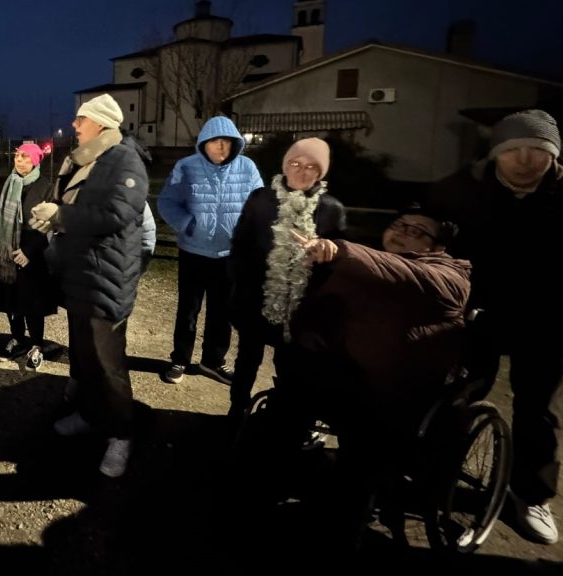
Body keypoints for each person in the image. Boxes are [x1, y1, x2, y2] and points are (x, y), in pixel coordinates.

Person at [268, 207, 470, 549]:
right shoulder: (366, 262)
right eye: (398, 225)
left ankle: (340, 533)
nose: (402, 232)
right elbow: (314, 303)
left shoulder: (450, 277)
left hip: (397, 392)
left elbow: (398, 271)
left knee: (363, 457)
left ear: (438, 247)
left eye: (417, 231)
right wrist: (305, 330)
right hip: (347, 376)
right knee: (285, 405)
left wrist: (340, 250)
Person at [429, 108, 563, 545]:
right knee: (458, 393)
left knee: (537, 412)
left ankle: (531, 494)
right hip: (478, 312)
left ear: (554, 156)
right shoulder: (462, 190)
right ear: (496, 154)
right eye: (513, 150)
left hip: (545, 319)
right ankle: (437, 472)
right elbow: (433, 240)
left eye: (537, 150)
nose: (524, 159)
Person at [32, 93, 149, 478]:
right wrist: (52, 218)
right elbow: (79, 207)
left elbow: (116, 213)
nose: (75, 126)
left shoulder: (124, 159)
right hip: (82, 274)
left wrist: (62, 215)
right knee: (83, 355)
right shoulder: (86, 158)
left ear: (99, 123)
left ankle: (121, 435)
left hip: (107, 277)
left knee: (108, 362)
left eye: (80, 120)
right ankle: (89, 415)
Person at [227, 137, 346, 420]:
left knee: (290, 364)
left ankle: (284, 416)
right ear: (285, 166)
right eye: (295, 163)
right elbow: (241, 244)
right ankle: (236, 408)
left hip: (301, 305)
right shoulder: (261, 198)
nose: (301, 171)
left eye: (310, 167)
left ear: (321, 173)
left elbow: (341, 257)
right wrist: (238, 285)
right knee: (247, 358)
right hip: (257, 297)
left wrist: (329, 252)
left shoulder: (331, 208)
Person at [157, 115, 262, 384]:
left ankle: (212, 362)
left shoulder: (247, 168)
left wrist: (249, 235)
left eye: (227, 142)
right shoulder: (186, 167)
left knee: (223, 312)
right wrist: (186, 223)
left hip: (229, 256)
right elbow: (167, 202)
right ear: (203, 143)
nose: (221, 147)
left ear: (235, 144)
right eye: (215, 141)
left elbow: (260, 205)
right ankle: (180, 359)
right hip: (193, 252)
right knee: (188, 311)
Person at [0, 142, 57, 369]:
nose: (19, 160)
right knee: (10, 299)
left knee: (32, 302)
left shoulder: (46, 186)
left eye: (25, 157)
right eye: (17, 156)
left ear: (35, 161)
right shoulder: (5, 182)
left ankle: (36, 343)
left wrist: (29, 252)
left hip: (32, 252)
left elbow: (49, 224)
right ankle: (17, 338)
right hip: (6, 250)